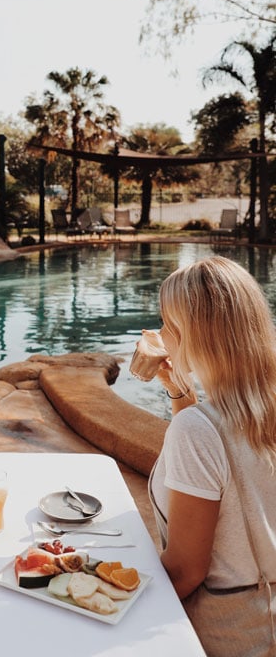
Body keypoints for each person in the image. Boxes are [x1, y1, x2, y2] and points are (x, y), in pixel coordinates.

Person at [148, 255, 276, 656]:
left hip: (225, 638)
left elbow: (186, 571)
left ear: (194, 336)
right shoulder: (258, 410)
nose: (161, 336)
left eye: (169, 325)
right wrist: (179, 390)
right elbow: (224, 458)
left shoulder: (197, 431)